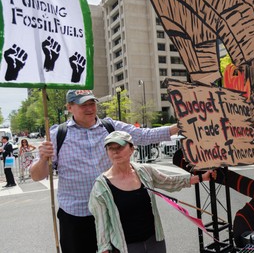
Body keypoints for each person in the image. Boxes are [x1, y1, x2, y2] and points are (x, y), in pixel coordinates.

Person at [30, 90, 179, 253]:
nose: (89, 108)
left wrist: (180, 126)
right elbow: (37, 175)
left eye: (92, 103)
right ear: (69, 107)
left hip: (112, 214)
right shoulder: (57, 135)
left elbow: (144, 135)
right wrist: (44, 158)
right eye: (83, 105)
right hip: (76, 218)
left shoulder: (111, 127)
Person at [89, 131, 215, 253]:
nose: (115, 152)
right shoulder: (101, 186)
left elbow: (169, 182)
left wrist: (200, 178)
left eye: (120, 147)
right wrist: (104, 249)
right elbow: (101, 225)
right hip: (126, 246)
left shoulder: (144, 171)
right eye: (111, 148)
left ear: (132, 149)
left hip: (154, 241)